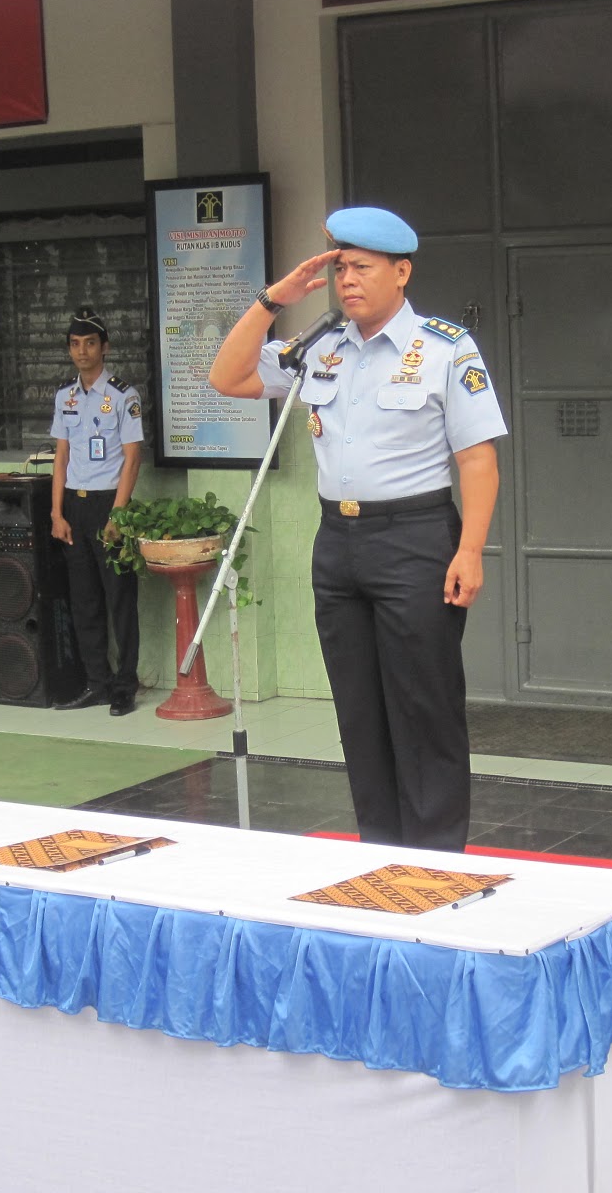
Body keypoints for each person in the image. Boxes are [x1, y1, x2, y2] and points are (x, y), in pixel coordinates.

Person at [209, 207, 507, 851]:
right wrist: (273, 300)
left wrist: (471, 550)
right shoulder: (320, 347)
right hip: (338, 545)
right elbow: (227, 377)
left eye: (362, 268)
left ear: (401, 272)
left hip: (416, 540)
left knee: (423, 705)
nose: (347, 280)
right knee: (359, 709)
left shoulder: (445, 348)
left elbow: (478, 458)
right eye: (340, 267)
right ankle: (381, 848)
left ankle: (434, 858)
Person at [49, 307, 144, 717]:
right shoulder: (64, 397)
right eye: (75, 344)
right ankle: (97, 683)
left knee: (119, 599)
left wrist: (117, 517)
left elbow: (133, 458)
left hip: (109, 504)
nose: (82, 351)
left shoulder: (124, 396)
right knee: (84, 600)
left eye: (90, 343)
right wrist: (56, 512)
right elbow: (61, 456)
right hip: (74, 502)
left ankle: (125, 684)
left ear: (104, 347)